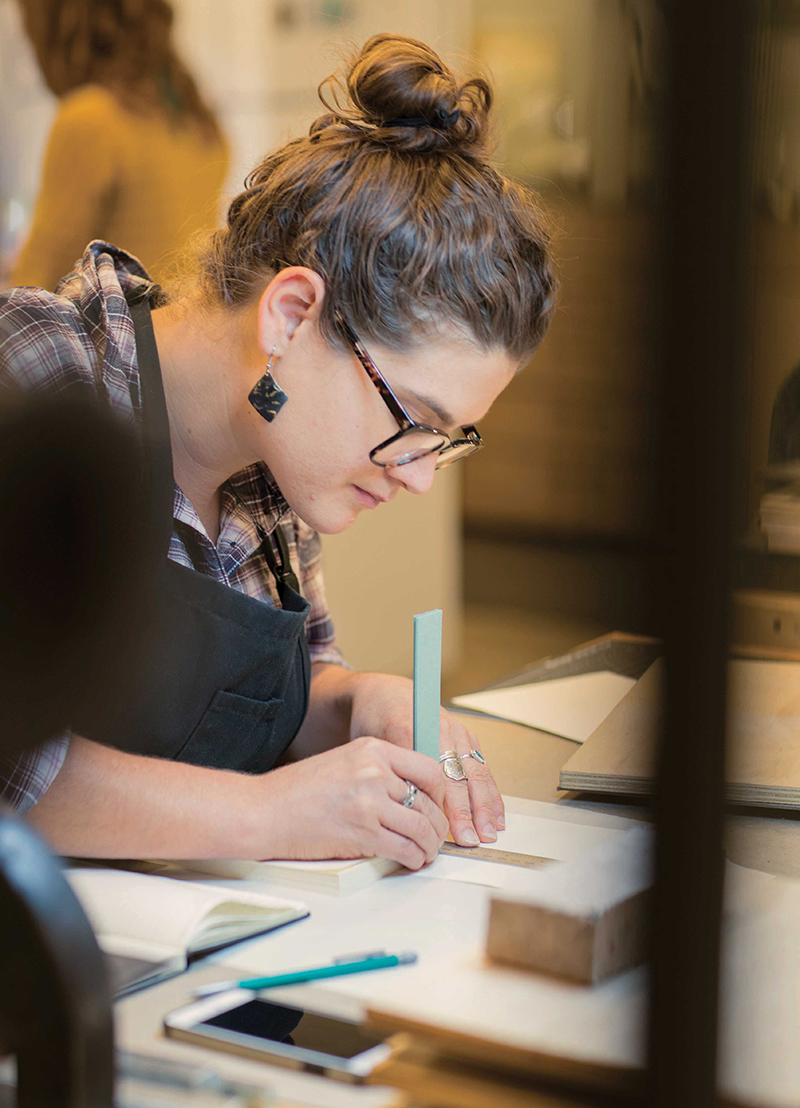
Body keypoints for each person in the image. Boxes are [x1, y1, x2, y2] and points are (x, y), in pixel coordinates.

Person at [0, 34, 556, 870]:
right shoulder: (37, 372)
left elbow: (285, 701)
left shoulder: (272, 477)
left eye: (448, 443)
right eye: (413, 421)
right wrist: (260, 816)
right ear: (291, 316)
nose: (417, 476)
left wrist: (362, 705)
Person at [10, 0, 228, 291]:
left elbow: (32, 287)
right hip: (176, 328)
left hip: (114, 334)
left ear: (59, 27)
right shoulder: (198, 120)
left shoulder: (91, 118)